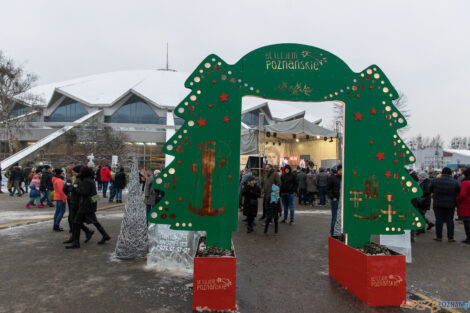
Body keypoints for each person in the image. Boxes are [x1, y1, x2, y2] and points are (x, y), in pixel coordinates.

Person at [66, 166, 110, 249]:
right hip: (91, 203)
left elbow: (84, 193)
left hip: (86, 205)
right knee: (94, 221)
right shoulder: (91, 180)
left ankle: (76, 242)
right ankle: (105, 235)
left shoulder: (86, 181)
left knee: (76, 222)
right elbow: (94, 194)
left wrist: (76, 189)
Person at [62, 165, 94, 244]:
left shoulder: (85, 180)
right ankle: (77, 237)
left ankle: (77, 239)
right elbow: (67, 189)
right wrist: (69, 190)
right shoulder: (73, 179)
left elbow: (90, 193)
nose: (73, 173)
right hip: (74, 201)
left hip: (82, 203)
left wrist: (93, 204)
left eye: (74, 172)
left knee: (76, 221)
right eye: (72, 171)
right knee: (74, 220)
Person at [429, 167, 460, 242]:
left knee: (439, 220)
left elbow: (430, 189)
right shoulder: (455, 182)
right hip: (450, 204)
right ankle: (450, 237)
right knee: (450, 220)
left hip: (438, 203)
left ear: (442, 173)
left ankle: (439, 237)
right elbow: (458, 191)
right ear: (450, 173)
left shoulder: (435, 180)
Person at [327, 165, 342, 237]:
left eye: (342, 170)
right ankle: (333, 234)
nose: (341, 171)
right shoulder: (332, 178)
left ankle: (340, 233)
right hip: (335, 200)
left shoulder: (345, 178)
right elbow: (328, 189)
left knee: (341, 218)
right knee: (335, 217)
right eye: (340, 170)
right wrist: (333, 197)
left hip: (343, 201)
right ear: (337, 170)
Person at [457, 168, 470, 244]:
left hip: (466, 205)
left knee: (467, 222)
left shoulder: (465, 183)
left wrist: (457, 201)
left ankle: (468, 238)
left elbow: (462, 195)